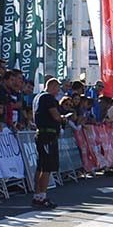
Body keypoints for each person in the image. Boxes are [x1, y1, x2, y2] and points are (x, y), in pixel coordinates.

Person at [32, 78, 64, 209]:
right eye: (57, 88)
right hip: (47, 135)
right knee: (46, 167)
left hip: (41, 134)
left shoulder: (37, 97)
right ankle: (42, 196)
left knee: (41, 166)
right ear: (52, 86)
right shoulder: (48, 98)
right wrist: (63, 118)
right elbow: (55, 115)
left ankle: (37, 195)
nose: (58, 91)